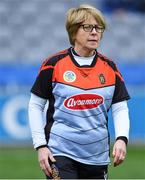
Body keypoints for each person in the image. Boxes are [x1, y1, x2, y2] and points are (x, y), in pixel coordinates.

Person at [28, 4, 130, 179]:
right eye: (88, 27)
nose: (94, 32)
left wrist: (122, 138)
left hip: (97, 156)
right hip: (59, 153)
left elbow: (120, 108)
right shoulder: (53, 64)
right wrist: (41, 146)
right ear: (74, 32)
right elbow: (35, 105)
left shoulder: (110, 68)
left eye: (98, 27)